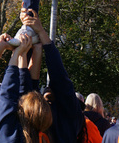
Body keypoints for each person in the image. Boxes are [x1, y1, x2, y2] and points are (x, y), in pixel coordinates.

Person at [19, 8, 84, 142]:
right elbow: (30, 90)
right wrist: (35, 41)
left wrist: (39, 33)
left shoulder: (65, 120)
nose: (48, 88)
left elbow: (59, 76)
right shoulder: (39, 119)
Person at [0, 33, 53, 143]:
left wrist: (17, 53)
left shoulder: (9, 135)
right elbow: (17, 94)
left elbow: (7, 96)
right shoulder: (42, 137)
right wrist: (25, 53)